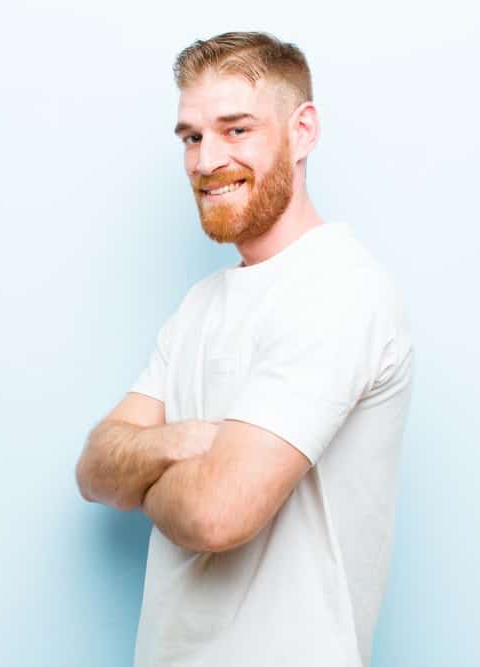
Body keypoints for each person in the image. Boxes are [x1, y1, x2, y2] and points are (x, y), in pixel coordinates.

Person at [75, 31, 415, 667]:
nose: (207, 161)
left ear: (303, 130)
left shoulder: (338, 287)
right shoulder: (200, 306)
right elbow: (94, 468)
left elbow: (214, 514)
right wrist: (179, 444)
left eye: (236, 130)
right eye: (192, 137)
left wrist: (143, 481)